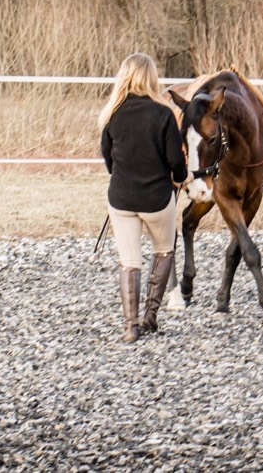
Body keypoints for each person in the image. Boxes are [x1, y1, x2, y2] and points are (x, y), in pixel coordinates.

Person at [98, 53, 193, 343]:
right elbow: (175, 160)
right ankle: (151, 316)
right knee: (164, 250)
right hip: (157, 199)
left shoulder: (111, 113)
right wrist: (180, 176)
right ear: (151, 77)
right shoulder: (163, 113)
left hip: (122, 199)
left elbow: (109, 161)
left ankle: (130, 326)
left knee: (129, 262)